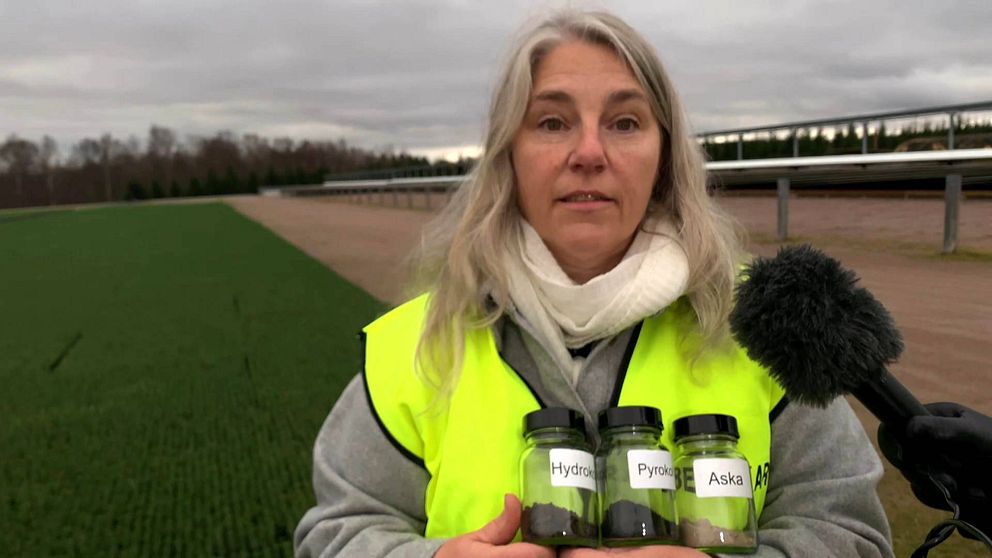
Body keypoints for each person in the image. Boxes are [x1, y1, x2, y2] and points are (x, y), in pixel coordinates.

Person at [295, 10, 894, 557]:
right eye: (552, 122)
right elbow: (337, 532)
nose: (589, 152)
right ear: (509, 152)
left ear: (665, 153)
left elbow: (851, 532)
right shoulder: (416, 347)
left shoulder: (765, 325)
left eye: (625, 122)